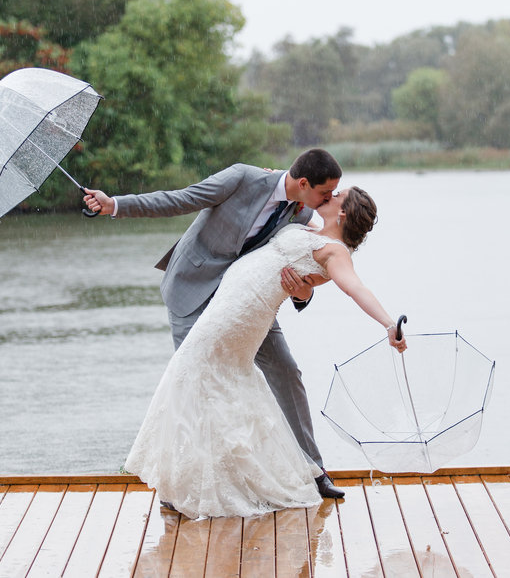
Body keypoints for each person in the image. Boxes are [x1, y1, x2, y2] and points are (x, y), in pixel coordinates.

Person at [123, 186, 406, 520]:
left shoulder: (336, 253)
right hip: (228, 299)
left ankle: (191, 484)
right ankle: (200, 480)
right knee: (208, 380)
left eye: (338, 194)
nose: (331, 193)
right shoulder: (308, 224)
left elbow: (355, 288)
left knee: (194, 373)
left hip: (243, 313)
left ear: (343, 212)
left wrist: (389, 324)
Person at [83, 148, 344, 498]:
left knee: (286, 371)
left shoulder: (301, 213)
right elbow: (180, 199)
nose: (327, 199)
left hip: (245, 303)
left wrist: (302, 295)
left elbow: (299, 264)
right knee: (193, 387)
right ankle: (180, 488)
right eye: (325, 192)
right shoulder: (241, 177)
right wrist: (114, 204)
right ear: (303, 182)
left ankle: (313, 469)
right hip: (191, 287)